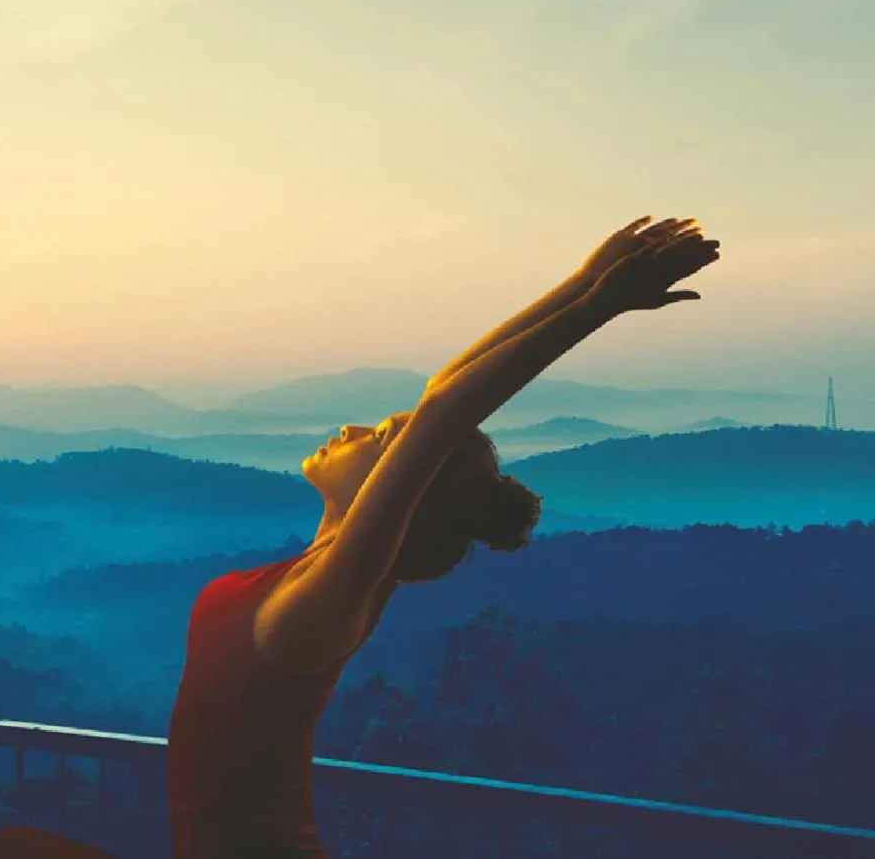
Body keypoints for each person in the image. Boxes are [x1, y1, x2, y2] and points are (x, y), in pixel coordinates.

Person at [166, 216, 721, 857]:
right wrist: (584, 279)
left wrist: (600, 304)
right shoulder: (318, 575)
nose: (348, 428)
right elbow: (438, 396)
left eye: (374, 438)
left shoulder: (330, 599)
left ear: (399, 483)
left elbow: (441, 413)